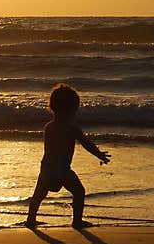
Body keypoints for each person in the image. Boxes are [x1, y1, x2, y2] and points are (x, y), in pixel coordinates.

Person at [26, 84, 111, 229]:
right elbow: (86, 143)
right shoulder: (72, 127)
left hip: (47, 168)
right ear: (72, 109)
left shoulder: (49, 127)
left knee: (39, 195)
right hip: (62, 169)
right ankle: (77, 221)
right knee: (79, 191)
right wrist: (100, 155)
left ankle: (30, 219)